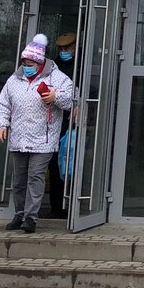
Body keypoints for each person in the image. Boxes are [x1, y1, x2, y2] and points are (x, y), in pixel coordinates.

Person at [0, 33, 74, 232]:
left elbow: (72, 98)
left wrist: (55, 97)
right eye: (24, 63)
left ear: (40, 63)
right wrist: (1, 125)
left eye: (30, 64)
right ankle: (19, 214)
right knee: (19, 180)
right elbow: (4, 105)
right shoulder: (15, 79)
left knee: (35, 177)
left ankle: (30, 218)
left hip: (43, 139)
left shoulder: (57, 78)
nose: (26, 66)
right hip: (18, 138)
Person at [46, 32, 78, 218]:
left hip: (74, 121)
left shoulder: (82, 64)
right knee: (55, 164)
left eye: (68, 48)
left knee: (73, 163)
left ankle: (73, 207)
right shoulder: (53, 66)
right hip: (55, 119)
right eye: (61, 48)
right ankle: (56, 207)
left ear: (76, 47)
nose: (64, 51)